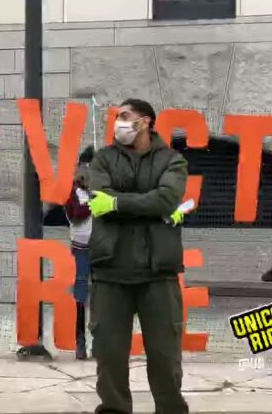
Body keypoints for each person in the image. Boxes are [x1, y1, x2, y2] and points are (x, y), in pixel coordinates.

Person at [87, 99, 189, 414]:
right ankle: (114, 409)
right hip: (110, 270)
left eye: (125, 116)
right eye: (117, 116)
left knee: (164, 355)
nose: (118, 121)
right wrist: (149, 204)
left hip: (158, 272)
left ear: (145, 122)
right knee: (109, 354)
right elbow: (99, 196)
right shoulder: (103, 159)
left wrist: (117, 204)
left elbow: (167, 198)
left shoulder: (172, 160)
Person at [64, 145, 95, 360]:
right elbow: (76, 214)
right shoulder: (73, 193)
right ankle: (80, 341)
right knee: (81, 295)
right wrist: (94, 203)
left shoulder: (99, 192)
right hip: (81, 250)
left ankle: (99, 341)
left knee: (101, 296)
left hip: (99, 249)